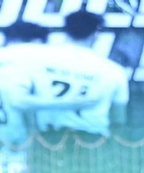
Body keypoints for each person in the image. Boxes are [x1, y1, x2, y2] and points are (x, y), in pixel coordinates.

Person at [21, 10, 130, 139]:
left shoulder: (39, 61)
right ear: (96, 33)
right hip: (92, 140)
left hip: (49, 138)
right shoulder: (113, 70)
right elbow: (118, 119)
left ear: (66, 30)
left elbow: (24, 102)